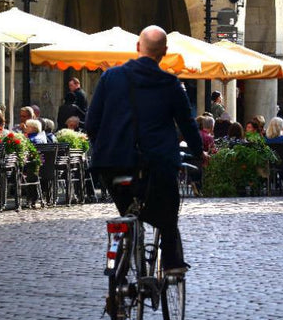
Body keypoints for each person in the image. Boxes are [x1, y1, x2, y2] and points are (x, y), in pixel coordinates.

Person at [86, 25, 206, 276]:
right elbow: (187, 124)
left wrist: (103, 148)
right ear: (164, 52)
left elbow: (92, 122)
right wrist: (199, 153)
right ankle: (172, 263)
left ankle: (122, 259)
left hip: (112, 163)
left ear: (138, 47)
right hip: (155, 163)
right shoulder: (170, 84)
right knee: (168, 210)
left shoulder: (110, 78)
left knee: (127, 207)